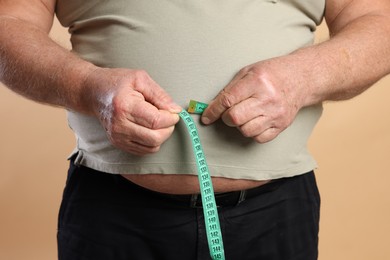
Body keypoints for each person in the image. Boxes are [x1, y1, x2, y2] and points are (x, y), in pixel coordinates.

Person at [1, 0, 390, 259]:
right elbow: (9, 23)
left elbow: (379, 23)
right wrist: (88, 88)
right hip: (112, 209)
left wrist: (303, 78)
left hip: (275, 212)